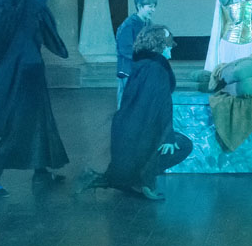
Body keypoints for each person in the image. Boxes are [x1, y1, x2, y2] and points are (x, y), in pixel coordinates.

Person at [0, 0, 76, 197]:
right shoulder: (24, 12)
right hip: (26, 78)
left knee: (39, 123)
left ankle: (41, 171)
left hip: (22, 76)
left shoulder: (5, 18)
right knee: (18, 128)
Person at [78, 25, 190, 200]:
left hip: (127, 130)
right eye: (168, 44)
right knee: (183, 145)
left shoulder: (140, 65)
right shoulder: (157, 68)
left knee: (123, 173)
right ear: (159, 45)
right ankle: (145, 180)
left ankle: (108, 179)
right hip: (140, 133)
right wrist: (167, 136)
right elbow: (162, 104)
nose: (171, 47)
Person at [116, 0, 163, 108]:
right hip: (128, 71)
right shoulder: (129, 25)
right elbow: (125, 49)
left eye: (154, 6)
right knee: (127, 106)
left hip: (141, 71)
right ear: (139, 6)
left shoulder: (147, 23)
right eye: (150, 6)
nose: (153, 10)